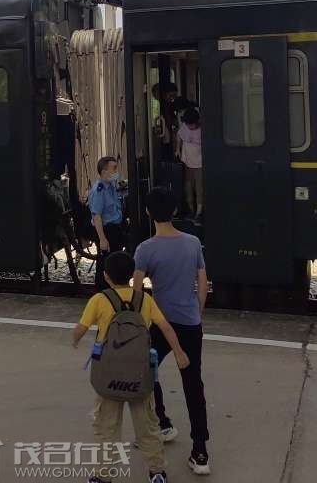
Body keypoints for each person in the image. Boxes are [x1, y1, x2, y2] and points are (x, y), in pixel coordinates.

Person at [73, 251, 190, 483]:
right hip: (140, 374)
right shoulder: (144, 299)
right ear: (132, 275)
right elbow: (165, 327)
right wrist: (179, 352)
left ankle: (103, 476)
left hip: (108, 375)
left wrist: (75, 340)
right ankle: (157, 472)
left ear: (106, 276)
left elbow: (81, 329)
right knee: (147, 426)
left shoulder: (99, 300)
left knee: (106, 428)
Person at [133, 188, 211, 476]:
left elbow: (137, 291)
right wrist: (197, 312)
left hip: (159, 324)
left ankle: (163, 423)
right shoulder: (193, 243)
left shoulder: (145, 249)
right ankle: (200, 452)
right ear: (175, 211)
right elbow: (202, 283)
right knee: (193, 384)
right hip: (190, 324)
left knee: (147, 371)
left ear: (148, 213)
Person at [89, 156, 124, 290]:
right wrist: (102, 239)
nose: (116, 171)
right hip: (106, 230)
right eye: (113, 168)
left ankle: (114, 289)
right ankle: (102, 291)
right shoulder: (99, 190)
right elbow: (97, 216)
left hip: (114, 228)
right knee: (105, 263)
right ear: (104, 172)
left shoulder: (110, 186)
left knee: (114, 262)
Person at [175, 108, 203, 219]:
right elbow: (179, 136)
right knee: (188, 188)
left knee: (199, 188)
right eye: (188, 124)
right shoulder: (184, 127)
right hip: (187, 163)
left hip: (199, 164)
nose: (190, 127)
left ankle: (199, 212)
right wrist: (178, 149)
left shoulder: (202, 130)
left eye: (192, 124)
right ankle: (191, 210)